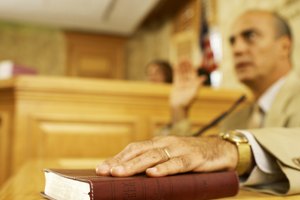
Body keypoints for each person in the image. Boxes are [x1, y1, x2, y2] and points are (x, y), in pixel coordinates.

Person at [96, 10, 300, 195]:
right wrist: (179, 110)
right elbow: (193, 164)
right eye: (232, 41)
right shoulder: (237, 117)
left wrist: (227, 149)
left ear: (284, 45)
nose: (237, 49)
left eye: (250, 36)